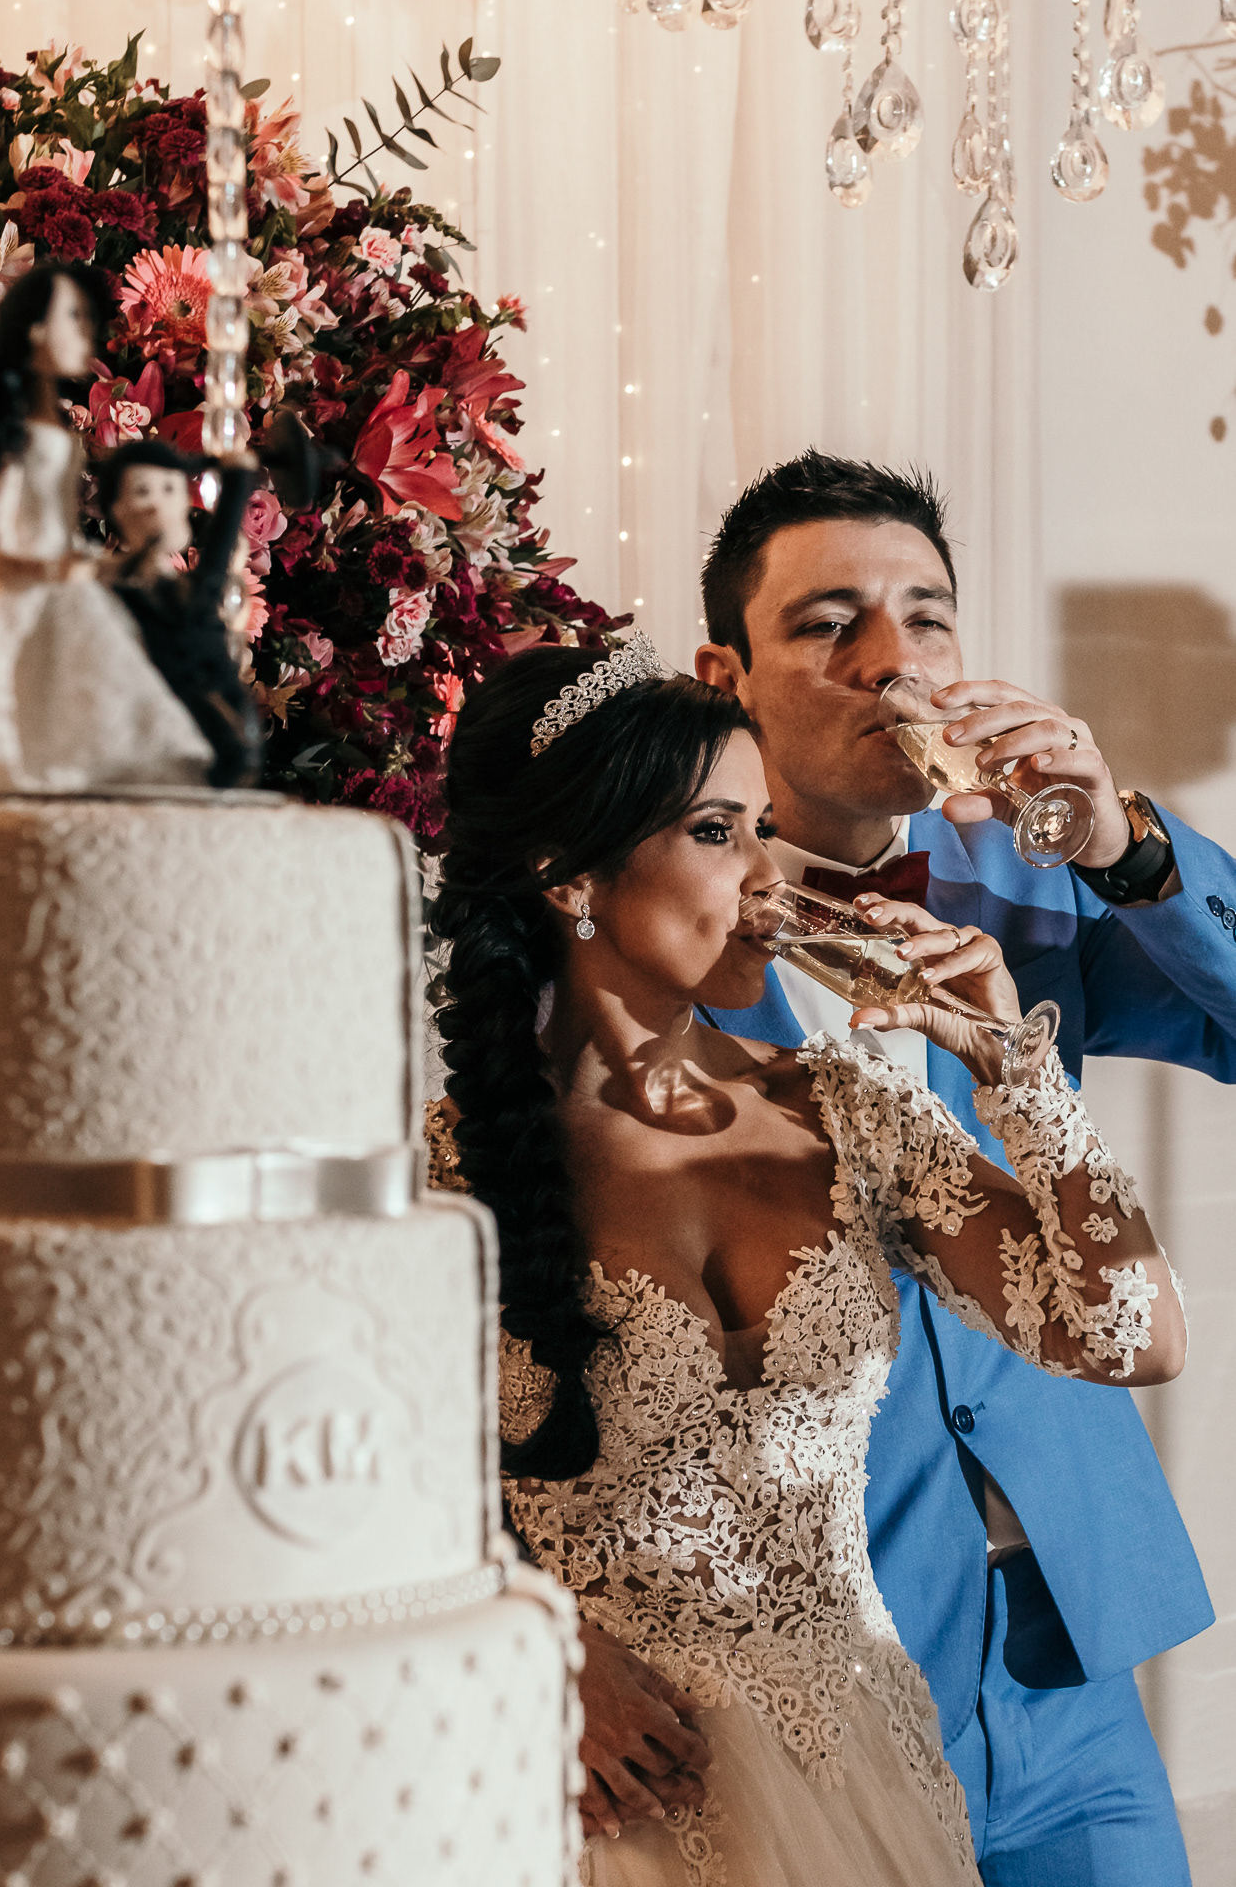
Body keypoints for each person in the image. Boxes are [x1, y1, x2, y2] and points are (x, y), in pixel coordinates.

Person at [427, 635, 1185, 1887]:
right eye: (717, 832)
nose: (767, 877)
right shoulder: (434, 1171)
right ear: (571, 875)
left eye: (762, 828)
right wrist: (542, 1637)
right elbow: (357, 1493)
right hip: (588, 1796)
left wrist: (1015, 1067)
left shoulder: (846, 1109)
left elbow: (1133, 1338)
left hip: (863, 1776)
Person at [645, 449, 1226, 1886]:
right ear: (725, 676)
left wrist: (1127, 848)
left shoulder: (1033, 891)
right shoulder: (646, 939)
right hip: (824, 1669)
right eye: (828, 622)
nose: (892, 660)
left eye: (927, 615)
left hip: (1066, 1648)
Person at [0, 263, 213, 795]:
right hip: (21, 585)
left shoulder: (50, 423)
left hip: (58, 577)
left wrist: (91, 560)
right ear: (34, 329)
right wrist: (58, 564)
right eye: (71, 318)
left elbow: (54, 521)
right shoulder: (18, 432)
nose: (85, 333)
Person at [96, 438, 263, 789]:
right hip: (164, 709)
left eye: (170, 490)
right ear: (116, 509)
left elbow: (219, 545)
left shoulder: (192, 589)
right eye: (142, 492)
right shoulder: (116, 588)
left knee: (238, 752)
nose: (157, 505)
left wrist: (238, 481)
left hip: (217, 690)